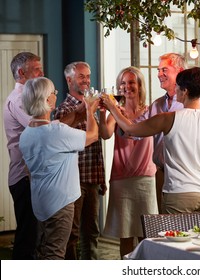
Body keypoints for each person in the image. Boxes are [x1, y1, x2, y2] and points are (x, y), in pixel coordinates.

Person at [101, 67, 200, 223]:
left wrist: (112, 107)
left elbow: (130, 129)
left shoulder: (169, 118)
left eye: (177, 87)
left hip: (179, 194)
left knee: (175, 245)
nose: (175, 91)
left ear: (185, 91)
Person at [19, 77, 99, 259]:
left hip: (40, 201)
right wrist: (90, 110)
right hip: (60, 203)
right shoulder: (56, 133)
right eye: (54, 93)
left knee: (41, 251)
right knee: (55, 254)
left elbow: (59, 125)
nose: (56, 96)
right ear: (47, 100)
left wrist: (79, 111)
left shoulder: (27, 134)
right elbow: (93, 135)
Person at [99, 67, 158, 258]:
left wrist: (113, 109)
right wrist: (102, 112)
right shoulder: (116, 112)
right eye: (122, 83)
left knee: (145, 233)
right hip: (121, 179)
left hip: (145, 178)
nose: (126, 87)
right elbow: (106, 134)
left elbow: (132, 130)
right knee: (124, 235)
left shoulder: (150, 112)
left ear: (140, 85)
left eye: (131, 82)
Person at [139, 53, 200, 211]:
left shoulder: (199, 106)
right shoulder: (157, 105)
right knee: (165, 227)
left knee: (188, 232)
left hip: (189, 177)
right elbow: (135, 130)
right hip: (162, 174)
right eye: (158, 70)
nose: (159, 74)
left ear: (179, 71)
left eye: (164, 69)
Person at [54, 61, 106, 260]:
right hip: (73, 180)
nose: (86, 80)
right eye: (81, 76)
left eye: (88, 76)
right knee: (72, 233)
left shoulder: (92, 106)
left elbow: (100, 141)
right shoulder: (63, 110)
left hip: (91, 177)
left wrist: (101, 177)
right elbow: (78, 143)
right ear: (69, 80)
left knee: (91, 231)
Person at [3, 52, 43, 259]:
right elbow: (38, 126)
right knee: (27, 238)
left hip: (31, 177)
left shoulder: (29, 98)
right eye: (37, 69)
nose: (42, 73)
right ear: (21, 73)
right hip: (23, 177)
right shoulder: (18, 99)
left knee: (34, 237)